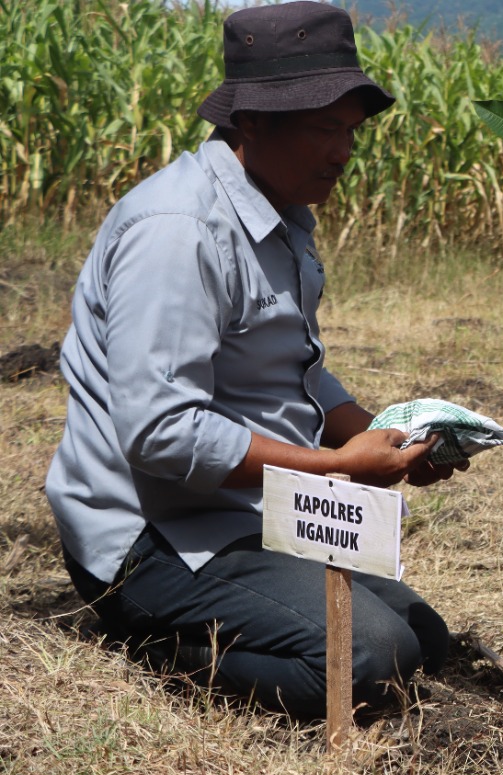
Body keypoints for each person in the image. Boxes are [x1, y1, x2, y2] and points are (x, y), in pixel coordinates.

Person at [45, 2, 465, 721]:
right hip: (153, 537)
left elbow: (295, 367)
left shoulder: (279, 214)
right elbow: (160, 431)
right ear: (252, 123)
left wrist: (386, 434)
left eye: (350, 132)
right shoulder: (179, 231)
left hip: (242, 508)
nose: (344, 152)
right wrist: (340, 467)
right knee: (371, 659)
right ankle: (154, 641)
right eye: (325, 129)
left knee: (424, 637)